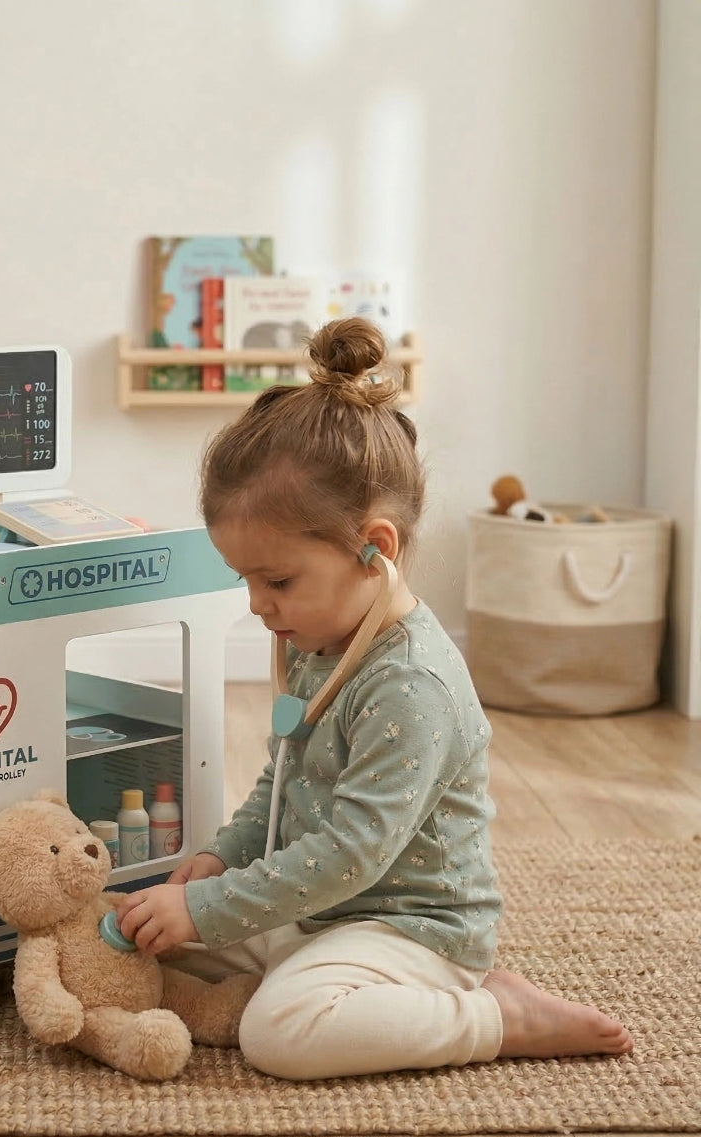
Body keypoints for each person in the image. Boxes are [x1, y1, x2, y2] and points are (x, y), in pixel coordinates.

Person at [116, 316, 633, 1080]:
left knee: (279, 1034)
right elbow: (281, 780)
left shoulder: (410, 684)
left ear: (374, 549)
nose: (257, 603)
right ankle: (285, 971)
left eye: (277, 579)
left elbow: (353, 853)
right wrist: (220, 857)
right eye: (245, 579)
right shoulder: (318, 640)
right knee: (139, 930)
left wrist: (214, 907)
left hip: (405, 926)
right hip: (317, 905)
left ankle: (493, 1015)